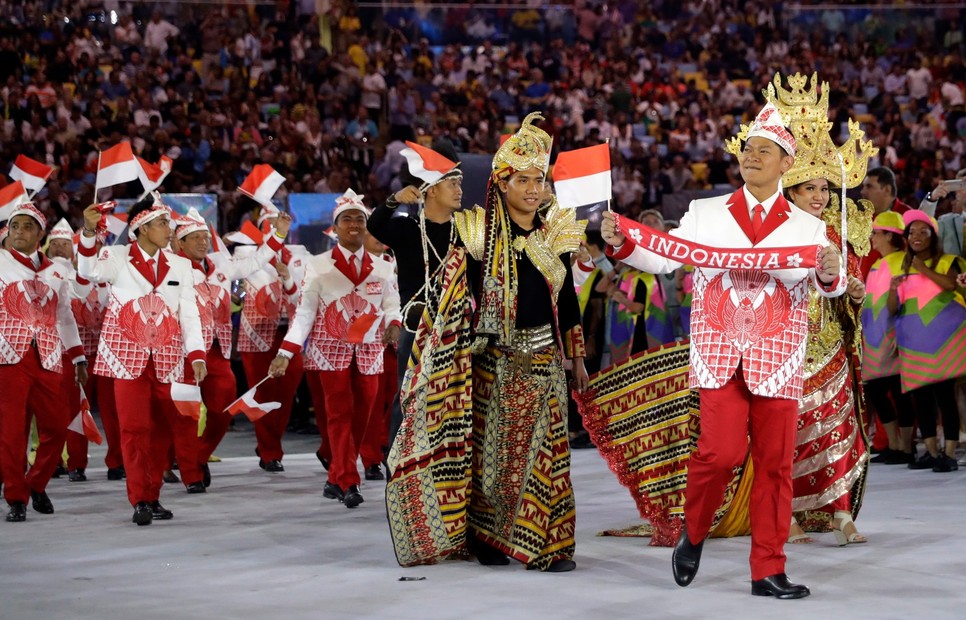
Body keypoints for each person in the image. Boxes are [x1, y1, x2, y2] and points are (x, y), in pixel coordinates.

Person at [602, 101, 844, 598]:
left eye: (764, 150)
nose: (752, 156)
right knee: (719, 454)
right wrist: (622, 243)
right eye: (747, 148)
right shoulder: (706, 212)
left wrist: (829, 270)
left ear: (786, 163)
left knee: (775, 466)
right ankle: (693, 532)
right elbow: (665, 258)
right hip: (718, 352)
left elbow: (831, 284)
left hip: (778, 358)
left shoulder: (808, 226)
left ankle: (768, 568)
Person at [386, 112, 589, 572]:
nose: (533, 189)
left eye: (539, 180)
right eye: (523, 180)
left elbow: (568, 301)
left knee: (551, 455)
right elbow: (452, 294)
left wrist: (577, 357)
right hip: (493, 361)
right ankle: (491, 538)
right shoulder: (474, 232)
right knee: (493, 458)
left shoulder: (557, 232)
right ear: (502, 183)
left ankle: (551, 546)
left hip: (546, 360)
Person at [768, 72, 876, 546]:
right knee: (788, 437)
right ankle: (786, 512)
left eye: (824, 188)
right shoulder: (772, 233)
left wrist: (856, 292)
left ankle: (840, 514)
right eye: (809, 189)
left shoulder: (837, 230)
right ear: (789, 192)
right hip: (786, 348)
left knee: (836, 431)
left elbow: (854, 286)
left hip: (830, 344)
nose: (820, 196)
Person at [79, 196, 207, 526]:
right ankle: (139, 499)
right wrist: (89, 233)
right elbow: (88, 271)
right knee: (134, 429)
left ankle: (153, 495)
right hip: (126, 358)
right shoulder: (117, 256)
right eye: (163, 224)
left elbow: (189, 312)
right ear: (143, 228)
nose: (169, 229)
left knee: (163, 429)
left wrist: (196, 354)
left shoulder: (180, 265)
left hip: (168, 358)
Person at [270, 190, 402, 509]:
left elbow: (392, 303)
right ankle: (347, 480)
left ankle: (335, 476)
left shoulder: (384, 267)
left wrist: (394, 323)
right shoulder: (317, 265)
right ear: (336, 227)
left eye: (359, 219)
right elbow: (305, 313)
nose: (354, 224)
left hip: (369, 351)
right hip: (329, 352)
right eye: (347, 219)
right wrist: (286, 352)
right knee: (339, 414)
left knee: (364, 416)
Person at [174, 208, 292, 489]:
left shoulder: (221, 263)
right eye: (195, 237)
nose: (203, 242)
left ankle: (198, 456)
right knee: (185, 414)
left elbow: (257, 260)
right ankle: (191, 474)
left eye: (205, 237)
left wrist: (279, 234)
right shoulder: (170, 267)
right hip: (181, 351)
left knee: (224, 408)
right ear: (181, 242)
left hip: (217, 350)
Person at [367, 140, 463, 450]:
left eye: (460, 183)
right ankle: (399, 465)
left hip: (456, 329)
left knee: (453, 402)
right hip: (416, 328)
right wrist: (394, 199)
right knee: (408, 398)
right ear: (431, 190)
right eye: (453, 183)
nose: (459, 190)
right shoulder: (407, 228)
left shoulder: (466, 230)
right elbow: (375, 225)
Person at [0, 204, 87, 522]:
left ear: (40, 234)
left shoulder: (57, 270)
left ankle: (36, 483)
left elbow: (64, 315)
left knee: (57, 427)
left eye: (27, 226)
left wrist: (78, 356)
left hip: (48, 356)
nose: (19, 232)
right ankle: (16, 497)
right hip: (8, 355)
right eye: (14, 226)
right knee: (11, 432)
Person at [888, 210, 966, 472]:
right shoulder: (903, 268)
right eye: (912, 232)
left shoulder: (946, 261)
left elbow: (951, 285)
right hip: (914, 343)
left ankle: (949, 453)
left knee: (945, 396)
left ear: (934, 236)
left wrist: (922, 269)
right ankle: (931, 452)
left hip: (944, 343)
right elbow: (893, 309)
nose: (916, 236)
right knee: (921, 398)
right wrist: (892, 289)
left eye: (923, 231)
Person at [235, 205, 306, 473]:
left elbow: (303, 297)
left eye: (279, 225)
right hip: (256, 333)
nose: (275, 230)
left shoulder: (298, 257)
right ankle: (269, 451)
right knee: (262, 394)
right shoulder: (246, 256)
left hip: (289, 335)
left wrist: (287, 279)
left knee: (286, 394)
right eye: (269, 225)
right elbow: (236, 289)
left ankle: (270, 442)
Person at [862, 212, 916, 464]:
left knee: (898, 390)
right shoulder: (878, 264)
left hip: (893, 336)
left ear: (888, 235)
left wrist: (902, 333)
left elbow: (911, 299)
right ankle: (894, 444)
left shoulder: (903, 261)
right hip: (875, 338)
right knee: (877, 389)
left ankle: (905, 447)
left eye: (876, 233)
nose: (872, 237)